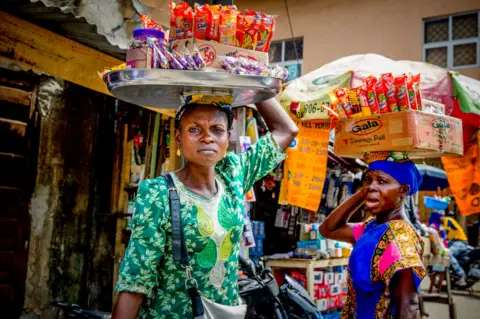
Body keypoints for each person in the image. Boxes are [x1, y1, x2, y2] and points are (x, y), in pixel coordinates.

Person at [112, 98, 298, 319]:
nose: (207, 137)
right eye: (194, 129)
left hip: (225, 313)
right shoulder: (158, 193)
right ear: (179, 139)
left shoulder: (233, 175)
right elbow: (137, 280)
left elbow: (287, 130)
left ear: (228, 138)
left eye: (217, 129)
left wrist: (255, 84)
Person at [320, 152, 426, 319]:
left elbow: (409, 306)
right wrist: (365, 192)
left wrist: (372, 187)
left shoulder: (399, 239)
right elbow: (328, 229)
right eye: (368, 180)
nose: (371, 187)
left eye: (382, 181)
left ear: (403, 190)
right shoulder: (372, 227)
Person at [440, 212, 470, 286]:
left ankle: (461, 274)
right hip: (454, 242)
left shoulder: (448, 220)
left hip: (460, 242)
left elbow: (443, 230)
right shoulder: (448, 228)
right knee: (444, 251)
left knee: (448, 253)